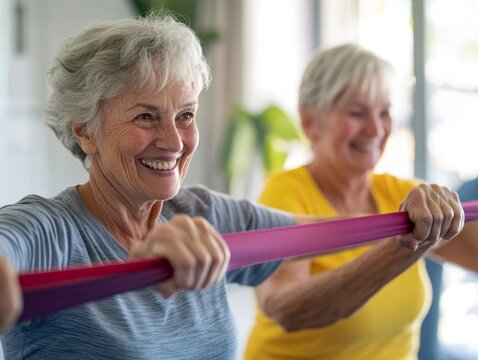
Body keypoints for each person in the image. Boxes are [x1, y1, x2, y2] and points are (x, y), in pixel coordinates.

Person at [0, 15, 466, 360]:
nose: (173, 140)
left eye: (185, 115)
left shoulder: (203, 213)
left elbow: (333, 232)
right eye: (145, 116)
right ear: (84, 130)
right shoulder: (51, 230)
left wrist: (410, 220)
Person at [244, 44, 478, 360]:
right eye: (357, 113)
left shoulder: (404, 194)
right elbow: (286, 309)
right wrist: (406, 246)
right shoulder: (285, 194)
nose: (376, 129)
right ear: (310, 121)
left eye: (384, 112)